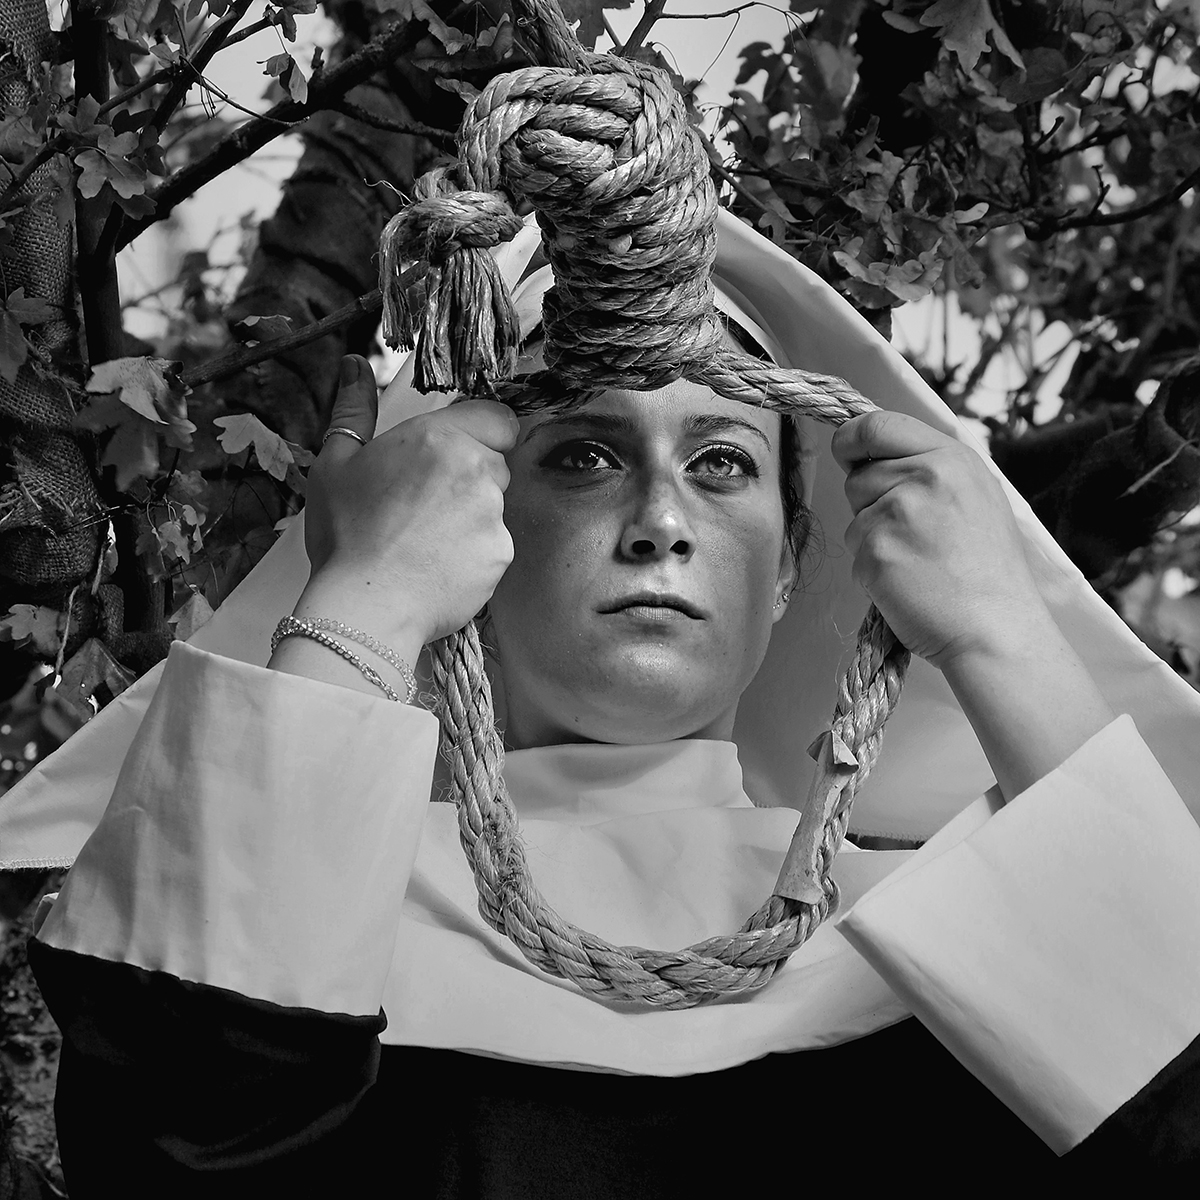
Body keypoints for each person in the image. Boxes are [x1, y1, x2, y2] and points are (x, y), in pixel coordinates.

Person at [3, 208, 1200, 1192]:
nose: (662, 521)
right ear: (470, 530)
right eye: (583, 455)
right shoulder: (316, 930)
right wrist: (365, 596)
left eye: (722, 463)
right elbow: (175, 1152)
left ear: (791, 566)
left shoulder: (961, 949)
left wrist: (1004, 636)